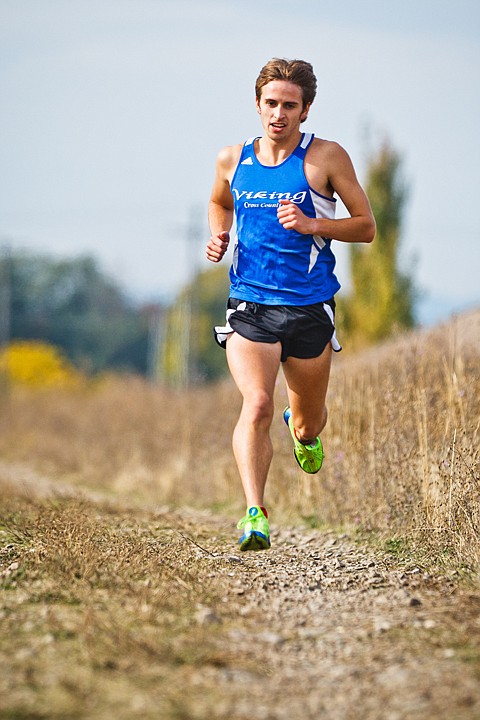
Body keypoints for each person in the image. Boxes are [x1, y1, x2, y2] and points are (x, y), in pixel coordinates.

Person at [206, 58, 375, 551]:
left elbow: (365, 226)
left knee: (308, 422)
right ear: (257, 105)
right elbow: (220, 202)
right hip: (250, 305)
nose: (279, 114)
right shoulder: (232, 158)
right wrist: (219, 234)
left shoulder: (325, 158)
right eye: (271, 104)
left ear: (306, 110)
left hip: (309, 308)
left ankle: (302, 433)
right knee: (256, 403)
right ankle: (254, 513)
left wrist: (313, 225)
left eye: (290, 105)